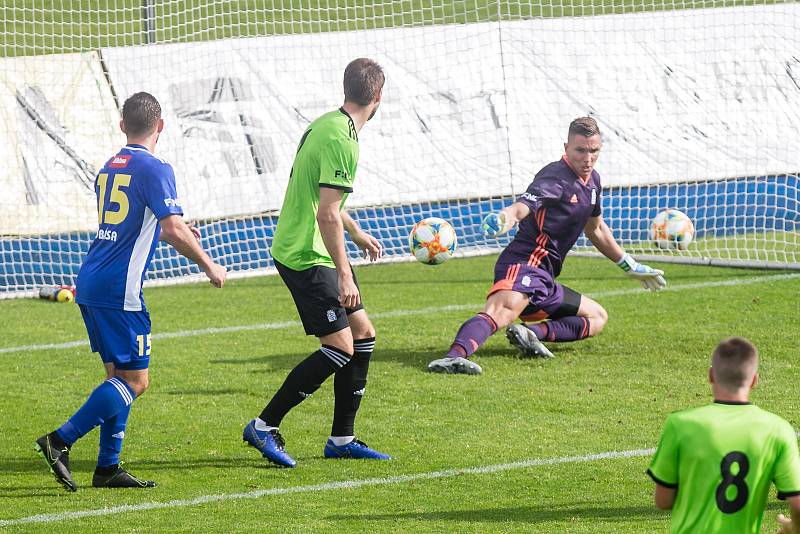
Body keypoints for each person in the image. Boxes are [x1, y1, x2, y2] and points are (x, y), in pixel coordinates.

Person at [35, 92, 227, 491]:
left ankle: (107, 468)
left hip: (92, 279)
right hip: (119, 289)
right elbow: (172, 228)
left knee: (116, 377)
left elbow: (136, 223)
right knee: (136, 382)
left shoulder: (108, 168)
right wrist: (210, 265)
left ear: (122, 125)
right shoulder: (156, 167)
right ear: (161, 126)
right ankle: (59, 441)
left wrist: (165, 224)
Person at [428, 116, 666, 375]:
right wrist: (504, 218)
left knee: (597, 317)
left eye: (594, 151)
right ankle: (453, 357)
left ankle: (530, 334)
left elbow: (595, 228)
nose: (588, 158)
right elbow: (522, 207)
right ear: (566, 148)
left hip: (545, 277)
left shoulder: (593, 182)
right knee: (502, 312)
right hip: (524, 265)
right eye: (581, 150)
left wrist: (628, 264)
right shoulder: (555, 177)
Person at [242, 58, 390, 468]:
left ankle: (342, 438)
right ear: (379, 96)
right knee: (341, 346)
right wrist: (345, 274)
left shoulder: (326, 124)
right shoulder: (343, 140)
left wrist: (357, 233)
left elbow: (325, 201)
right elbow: (326, 212)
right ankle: (265, 424)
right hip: (306, 255)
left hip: (317, 249)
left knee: (363, 335)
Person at [648, 337, 800, 533]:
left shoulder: (680, 424)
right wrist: (793, 527)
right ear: (755, 379)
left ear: (711, 375)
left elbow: (663, 501)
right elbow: (797, 503)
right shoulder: (778, 429)